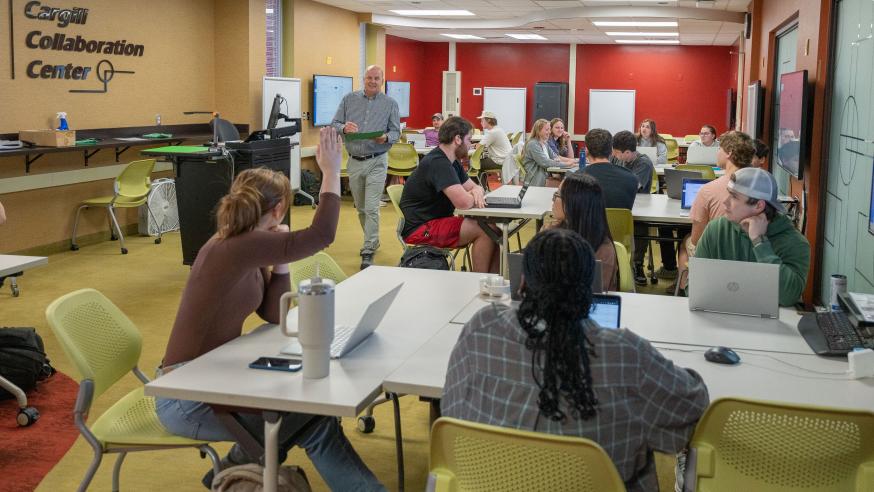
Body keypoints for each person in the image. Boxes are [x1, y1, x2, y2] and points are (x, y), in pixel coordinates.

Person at [156, 128, 385, 491]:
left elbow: (273, 314)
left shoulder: (248, 243)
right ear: (279, 208)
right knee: (313, 419)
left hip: (215, 376)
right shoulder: (235, 246)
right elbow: (322, 236)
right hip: (186, 394)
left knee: (306, 414)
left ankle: (232, 467)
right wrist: (330, 172)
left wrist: (280, 262)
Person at [442, 228, 710, 492]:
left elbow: (451, 409)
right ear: (590, 290)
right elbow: (692, 410)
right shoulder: (625, 356)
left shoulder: (481, 329)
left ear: (522, 282)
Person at [694, 167, 810, 306]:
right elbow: (694, 286)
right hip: (719, 312)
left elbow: (788, 297)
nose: (725, 201)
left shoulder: (795, 243)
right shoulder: (717, 229)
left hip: (771, 318)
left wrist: (759, 243)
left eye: (734, 196)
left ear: (758, 206)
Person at [400, 116, 499, 273]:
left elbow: (475, 187)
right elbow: (464, 203)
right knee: (487, 230)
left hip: (435, 221)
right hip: (420, 228)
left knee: (493, 229)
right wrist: (474, 193)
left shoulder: (451, 161)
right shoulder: (438, 163)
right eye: (469, 139)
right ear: (457, 139)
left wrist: (476, 190)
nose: (470, 144)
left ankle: (493, 280)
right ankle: (479, 281)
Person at [332, 64, 401, 270]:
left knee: (371, 207)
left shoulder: (390, 104)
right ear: (364, 79)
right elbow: (335, 123)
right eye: (369, 78)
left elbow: (396, 132)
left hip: (377, 160)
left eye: (376, 78)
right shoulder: (348, 99)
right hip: (354, 160)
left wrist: (385, 137)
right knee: (361, 208)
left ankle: (369, 247)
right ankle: (372, 239)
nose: (372, 81)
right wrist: (344, 128)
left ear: (382, 81)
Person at [675, 131, 756, 293]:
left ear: (729, 153)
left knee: (685, 242)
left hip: (716, 257)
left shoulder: (708, 190)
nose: (716, 152)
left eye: (719, 149)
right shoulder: (762, 186)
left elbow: (697, 240)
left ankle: (684, 290)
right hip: (751, 258)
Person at [550, 173, 618, 291]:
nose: (553, 199)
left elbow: (592, 294)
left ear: (573, 204)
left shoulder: (603, 251)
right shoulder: (551, 231)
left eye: (557, 195)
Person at [579, 128, 639, 210]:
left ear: (586, 152)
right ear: (611, 152)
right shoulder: (632, 179)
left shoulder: (574, 178)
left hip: (587, 219)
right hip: (618, 219)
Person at [522, 118, 572, 186]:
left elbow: (555, 157)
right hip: (535, 181)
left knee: (567, 183)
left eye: (549, 129)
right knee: (566, 185)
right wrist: (567, 164)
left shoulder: (544, 143)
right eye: (547, 130)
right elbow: (545, 162)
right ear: (538, 130)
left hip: (545, 177)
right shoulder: (533, 144)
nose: (549, 132)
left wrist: (574, 161)